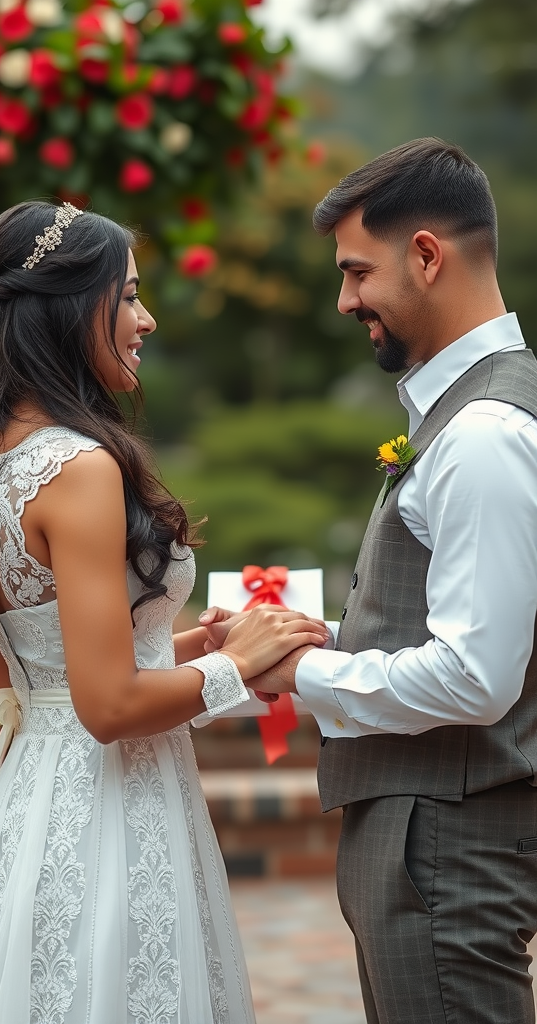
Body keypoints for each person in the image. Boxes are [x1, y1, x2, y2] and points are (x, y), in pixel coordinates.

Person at [0, 200, 329, 1024]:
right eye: (127, 296)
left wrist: (199, 645)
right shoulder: (78, 467)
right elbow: (109, 706)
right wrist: (233, 667)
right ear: (67, 309)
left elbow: (20, 671)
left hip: (25, 809)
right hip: (107, 819)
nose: (146, 318)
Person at [205, 137, 537, 1024]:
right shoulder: (465, 417)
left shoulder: (482, 434)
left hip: (446, 843)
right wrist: (311, 640)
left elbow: (476, 675)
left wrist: (296, 674)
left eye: (357, 272)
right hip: (426, 833)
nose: (346, 299)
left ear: (426, 256)